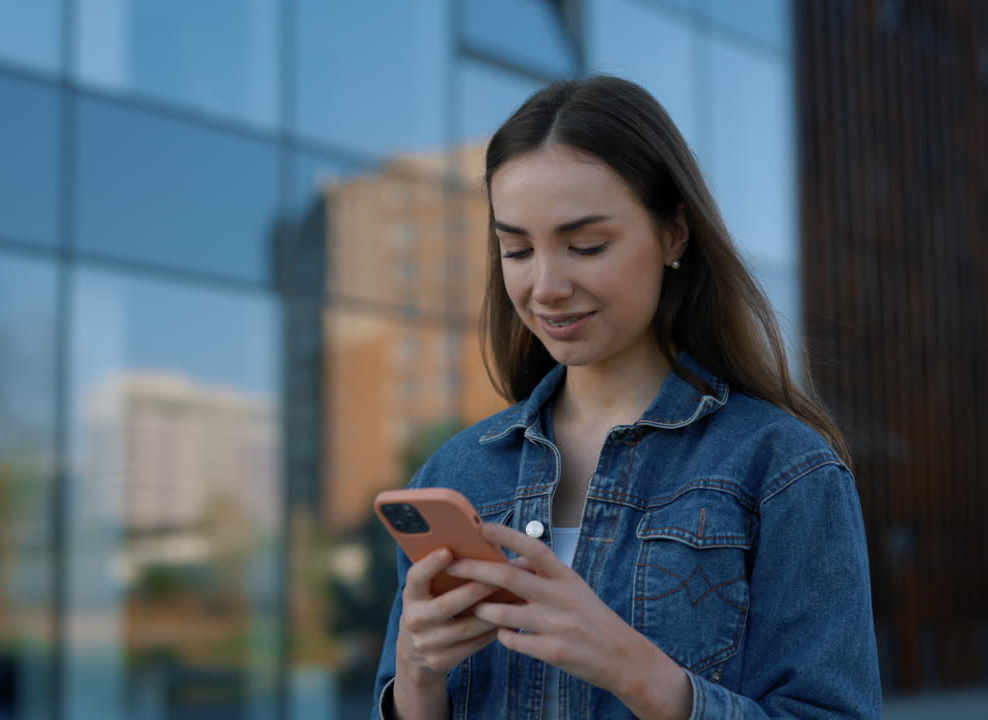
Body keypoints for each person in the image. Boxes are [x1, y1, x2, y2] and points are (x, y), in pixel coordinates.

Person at [371, 75, 881, 719]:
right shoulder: (456, 474)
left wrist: (637, 671)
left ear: (674, 234)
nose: (546, 285)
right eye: (517, 249)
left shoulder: (783, 471)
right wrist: (416, 679)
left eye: (587, 245)